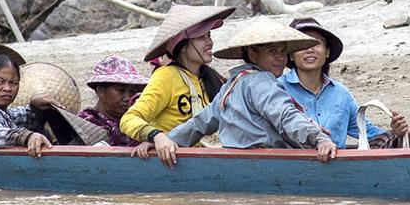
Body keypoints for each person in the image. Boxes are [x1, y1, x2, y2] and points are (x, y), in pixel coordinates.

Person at [141, 17, 340, 165]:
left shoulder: (234, 83)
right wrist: (318, 138)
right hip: (265, 161)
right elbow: (285, 115)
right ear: (253, 53)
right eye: (272, 51)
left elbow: (202, 122)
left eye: (282, 52)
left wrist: (170, 139)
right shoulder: (261, 81)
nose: (280, 58)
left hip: (236, 159)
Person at [280, 16, 409, 149]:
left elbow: (366, 131)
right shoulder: (277, 89)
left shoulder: (340, 93)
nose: (309, 49)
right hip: (292, 166)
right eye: (302, 44)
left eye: (316, 42)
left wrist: (396, 131)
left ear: (327, 52)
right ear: (290, 55)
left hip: (336, 167)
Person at [119, 5, 231, 147]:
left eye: (209, 35)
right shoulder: (166, 77)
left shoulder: (212, 78)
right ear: (182, 46)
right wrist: (156, 136)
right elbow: (129, 119)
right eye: (202, 37)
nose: (210, 42)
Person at [0, 54, 68, 154]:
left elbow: (27, 117)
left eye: (13, 83)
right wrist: (26, 136)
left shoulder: (4, 113)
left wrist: (35, 106)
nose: (7, 88)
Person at [80, 56, 150, 145]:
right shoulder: (85, 125)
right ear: (100, 90)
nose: (127, 98)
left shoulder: (139, 120)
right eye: (121, 90)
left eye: (132, 91)